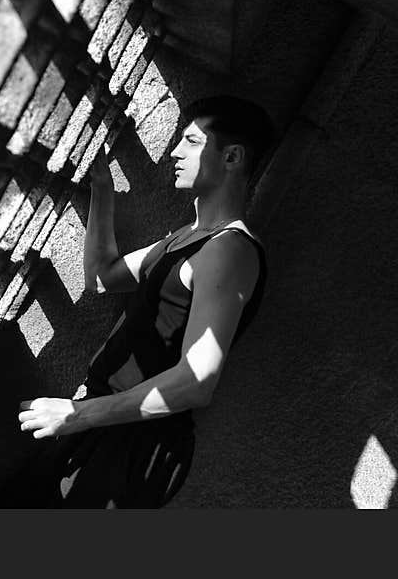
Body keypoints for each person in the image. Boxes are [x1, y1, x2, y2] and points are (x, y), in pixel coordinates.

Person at [16, 95, 275, 508]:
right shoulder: (184, 238)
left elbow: (196, 382)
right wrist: (102, 189)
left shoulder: (230, 249)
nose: (175, 150)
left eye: (191, 141)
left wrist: (78, 415)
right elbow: (102, 277)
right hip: (97, 427)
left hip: (133, 447)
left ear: (232, 157)